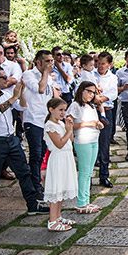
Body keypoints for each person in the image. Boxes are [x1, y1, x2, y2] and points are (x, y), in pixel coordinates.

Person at [0, 65, 42, 230]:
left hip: (11, 139)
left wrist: (21, 93)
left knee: (24, 172)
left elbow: (22, 107)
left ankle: (32, 204)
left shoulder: (5, 94)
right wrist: (13, 98)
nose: (7, 80)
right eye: (3, 77)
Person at [19, 49, 56, 215]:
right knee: (35, 154)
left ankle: (39, 182)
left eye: (52, 61)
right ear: (39, 62)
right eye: (47, 61)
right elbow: (40, 90)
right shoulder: (29, 75)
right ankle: (35, 187)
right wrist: (46, 74)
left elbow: (49, 97)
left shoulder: (48, 77)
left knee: (43, 154)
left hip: (45, 120)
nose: (51, 64)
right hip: (33, 120)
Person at [67, 81, 103, 213]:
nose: (91, 94)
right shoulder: (75, 105)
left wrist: (98, 123)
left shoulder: (92, 106)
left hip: (94, 139)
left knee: (89, 172)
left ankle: (86, 200)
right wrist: (88, 124)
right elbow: (69, 123)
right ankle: (81, 203)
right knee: (84, 172)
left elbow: (94, 122)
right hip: (83, 140)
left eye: (93, 92)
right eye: (89, 91)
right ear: (81, 90)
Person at [42, 98, 77, 232]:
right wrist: (68, 131)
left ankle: (58, 216)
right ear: (51, 110)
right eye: (60, 110)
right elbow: (59, 143)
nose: (63, 113)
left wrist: (70, 127)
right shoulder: (50, 126)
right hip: (58, 159)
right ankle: (52, 220)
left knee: (62, 188)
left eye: (64, 110)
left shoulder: (61, 124)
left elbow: (71, 139)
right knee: (56, 189)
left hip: (67, 158)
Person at [94, 52, 118, 187]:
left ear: (109, 65)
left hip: (106, 111)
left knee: (104, 144)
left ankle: (104, 175)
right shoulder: (91, 74)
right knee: (91, 143)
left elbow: (113, 93)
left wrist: (101, 99)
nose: (100, 66)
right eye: (98, 62)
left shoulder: (112, 77)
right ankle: (89, 176)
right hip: (92, 111)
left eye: (103, 63)